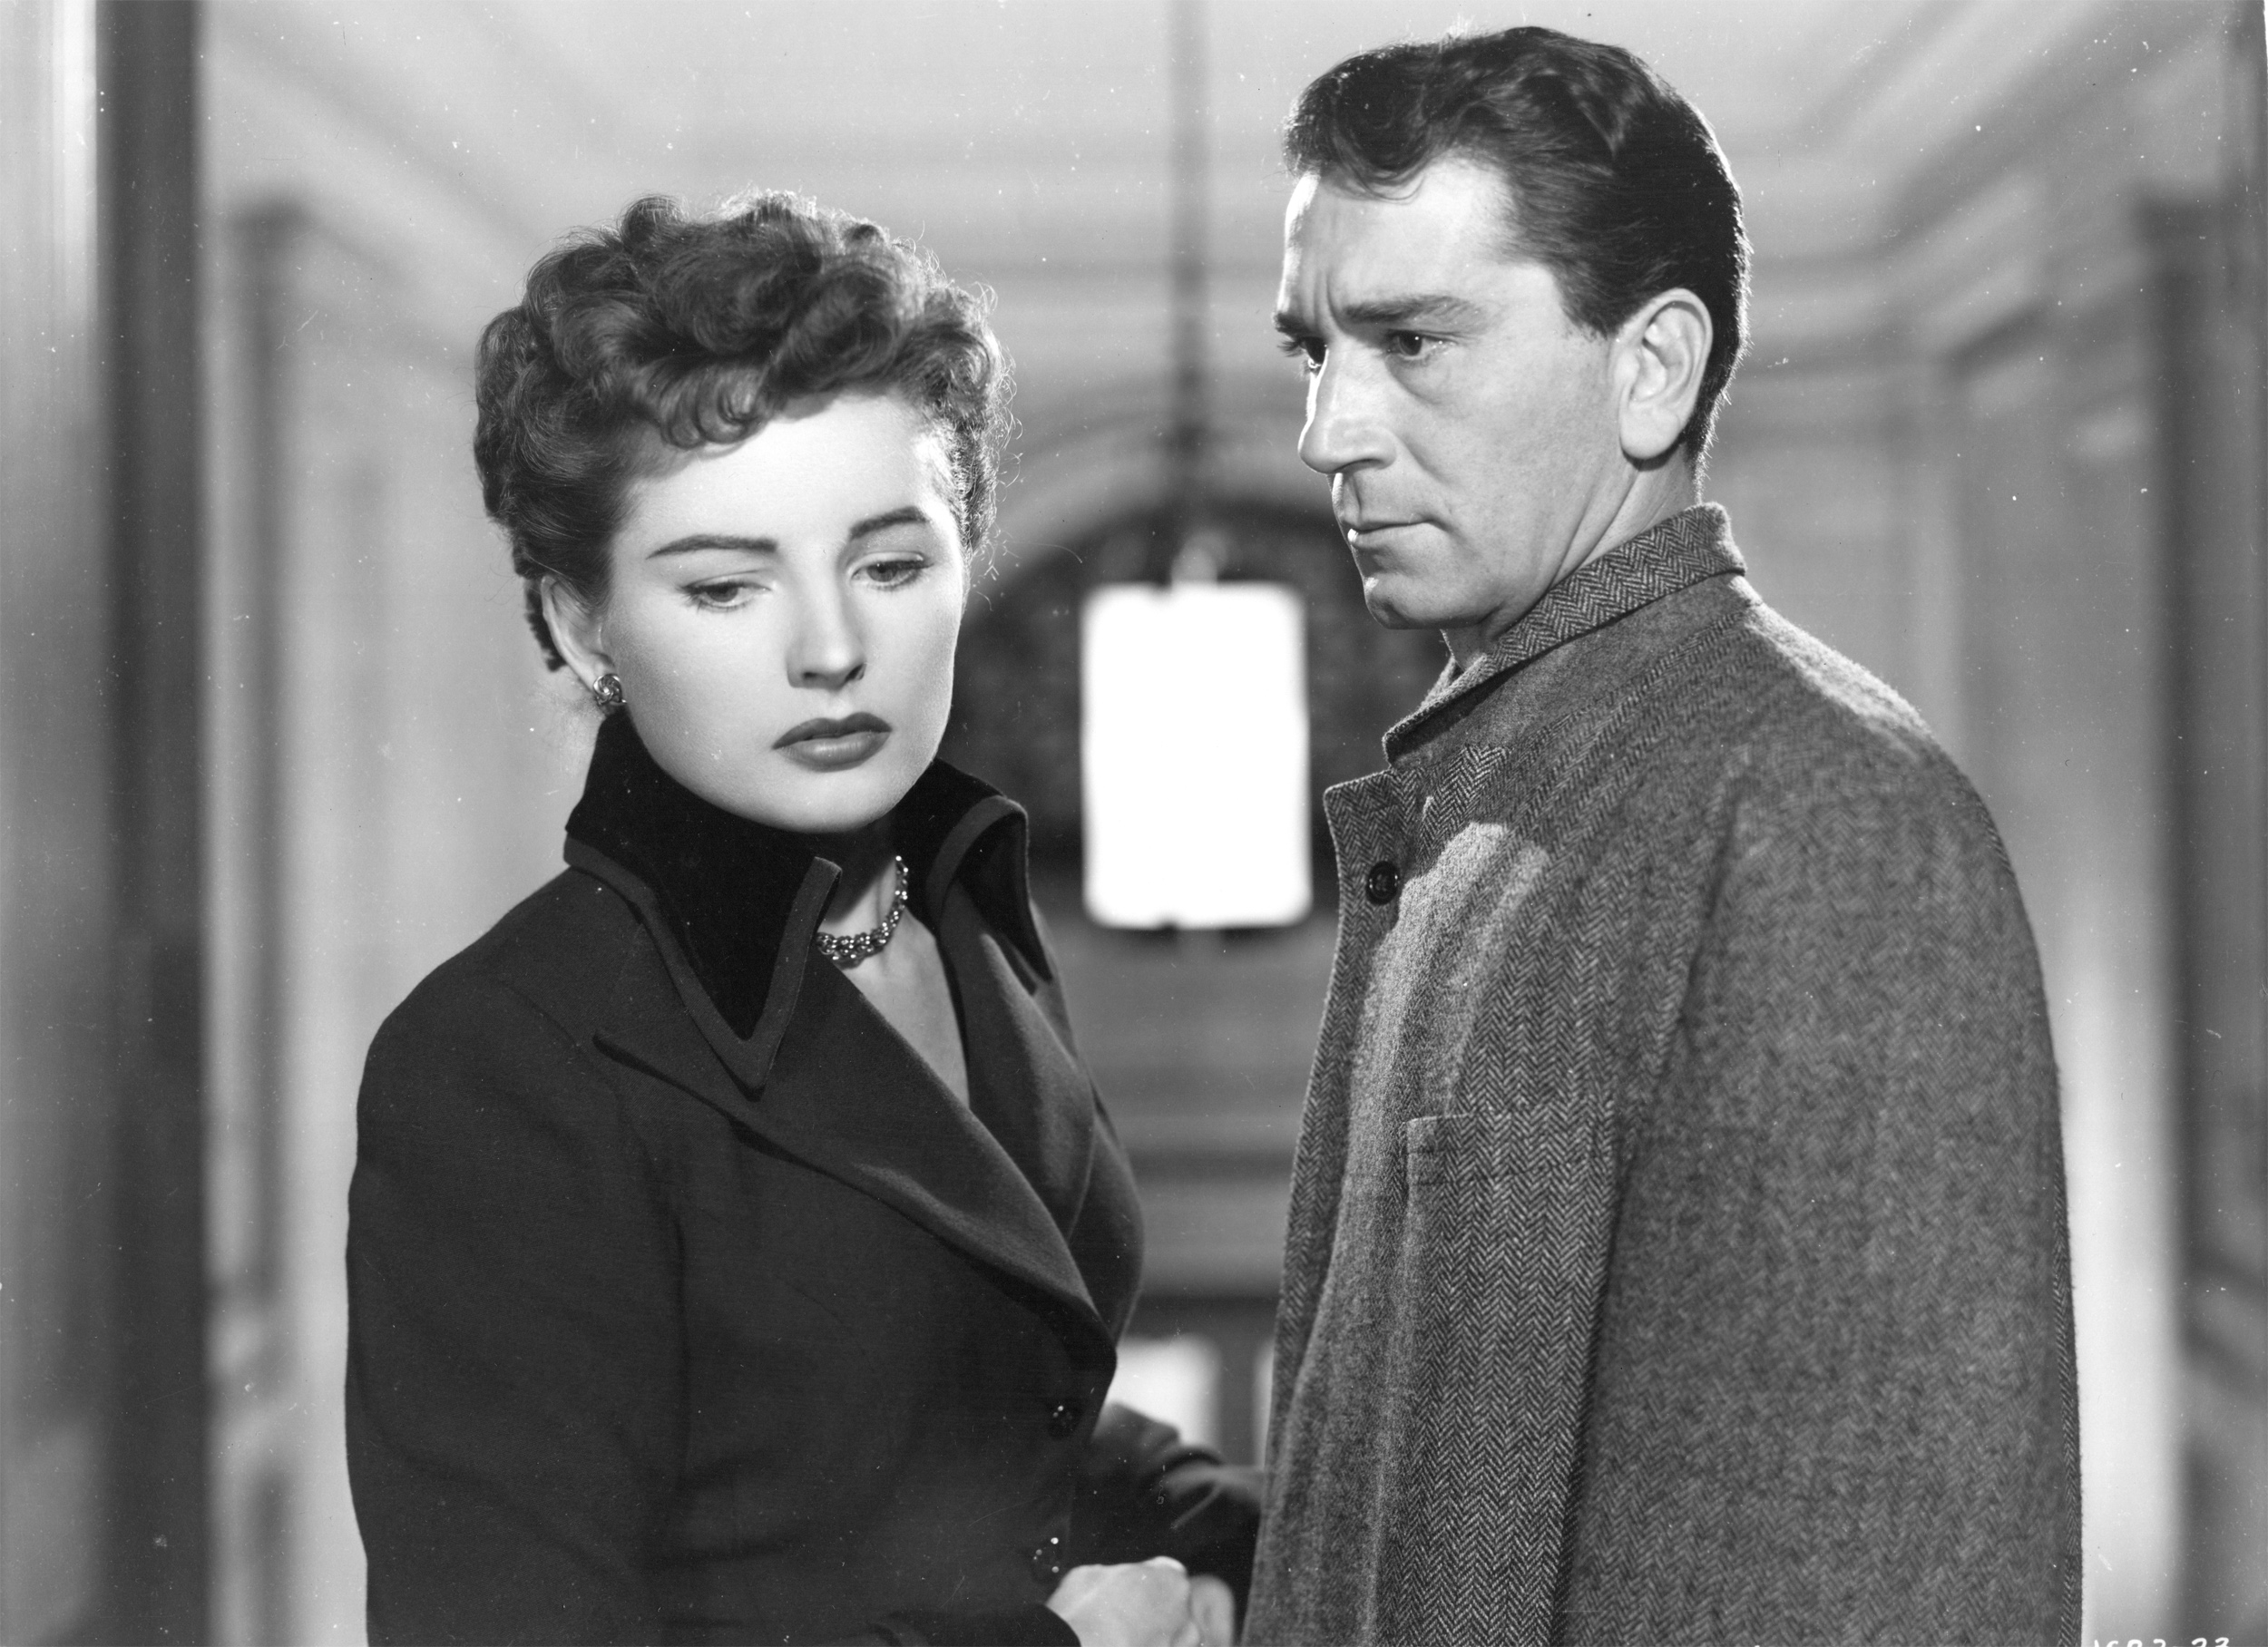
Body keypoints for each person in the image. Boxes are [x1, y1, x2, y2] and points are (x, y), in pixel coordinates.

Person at [1248, 27, 2079, 1647]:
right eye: (1313, 351)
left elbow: (1865, 1589)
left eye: (1412, 341)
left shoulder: (1821, 813)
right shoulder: (1514, 788)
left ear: (1654, 368)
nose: (1328, 430)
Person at [346, 191, 1252, 1647]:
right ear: (582, 624)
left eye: (890, 566)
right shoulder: (503, 1060)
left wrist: (1234, 1538)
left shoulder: (956, 908)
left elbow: (995, 1407)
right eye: (725, 586)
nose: (831, 650)